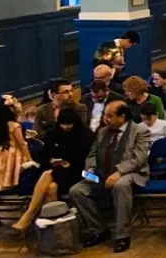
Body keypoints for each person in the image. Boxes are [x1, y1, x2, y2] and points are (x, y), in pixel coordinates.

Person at [69, 101, 151, 253]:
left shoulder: (140, 131)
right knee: (77, 190)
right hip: (101, 173)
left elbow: (139, 159)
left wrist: (119, 172)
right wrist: (91, 169)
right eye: (105, 115)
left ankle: (122, 236)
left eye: (109, 115)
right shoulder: (102, 132)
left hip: (130, 173)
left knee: (120, 185)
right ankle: (99, 229)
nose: (105, 118)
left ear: (122, 117)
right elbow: (92, 154)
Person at [12, 108, 92, 231]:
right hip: (58, 172)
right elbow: (43, 157)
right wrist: (51, 161)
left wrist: (69, 163)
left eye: (69, 124)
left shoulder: (86, 135)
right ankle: (56, 228)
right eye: (63, 124)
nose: (65, 127)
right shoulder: (53, 134)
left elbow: (87, 159)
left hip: (80, 173)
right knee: (51, 188)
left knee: (49, 174)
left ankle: (29, 214)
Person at [0, 96, 36, 207]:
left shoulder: (0, 126)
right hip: (14, 155)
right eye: (17, 102)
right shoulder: (15, 125)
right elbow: (22, 144)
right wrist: (30, 160)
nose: (20, 103)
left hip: (0, 154)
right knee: (11, 179)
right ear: (12, 109)